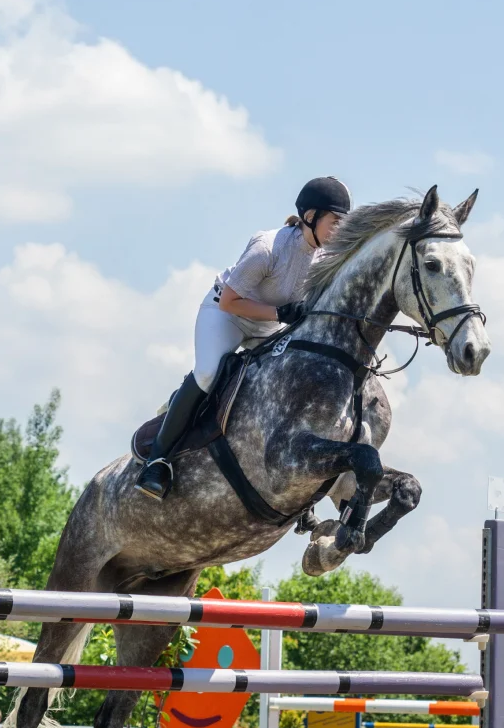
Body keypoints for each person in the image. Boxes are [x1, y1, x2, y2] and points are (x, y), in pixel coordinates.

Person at [135, 176, 352, 501]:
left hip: (266, 323)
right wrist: (280, 315)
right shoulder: (267, 248)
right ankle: (157, 461)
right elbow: (229, 302)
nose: (338, 231)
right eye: (335, 222)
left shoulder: (324, 258)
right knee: (209, 372)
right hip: (226, 314)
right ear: (310, 216)